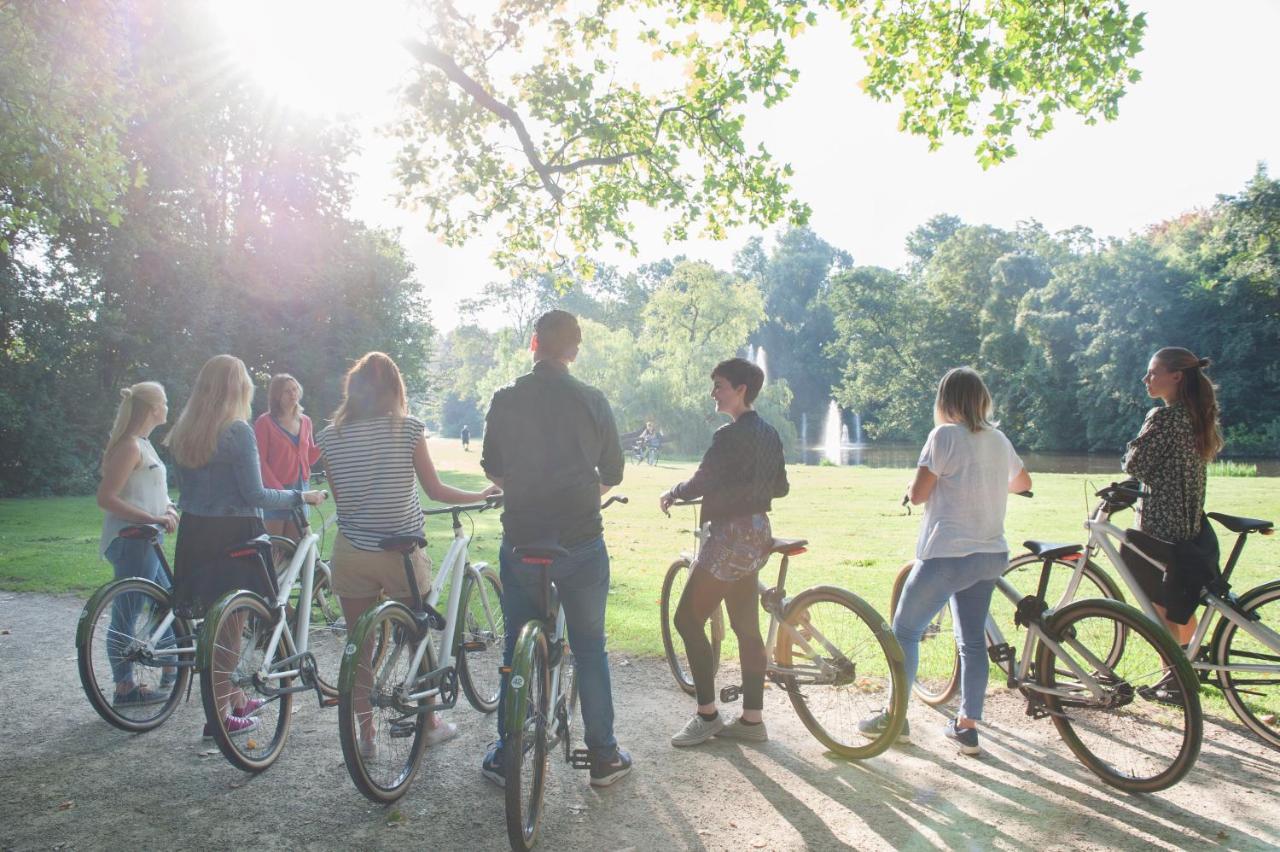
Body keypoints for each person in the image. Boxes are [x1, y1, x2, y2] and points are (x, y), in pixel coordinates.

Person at [317, 351, 498, 756]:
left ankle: (365, 736)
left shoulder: (329, 436)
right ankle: (429, 722)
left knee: (358, 645)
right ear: (395, 389)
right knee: (417, 637)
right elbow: (435, 491)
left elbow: (344, 499)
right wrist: (481, 495)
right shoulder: (408, 429)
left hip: (351, 550)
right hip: (398, 548)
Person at [479, 309, 630, 788]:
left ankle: (508, 752)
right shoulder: (592, 400)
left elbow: (493, 468)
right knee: (590, 648)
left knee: (514, 643)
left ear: (533, 344)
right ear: (574, 351)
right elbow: (613, 472)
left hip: (523, 537)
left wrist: (525, 489)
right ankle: (603, 756)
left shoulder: (506, 398)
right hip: (581, 539)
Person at [859, 367, 1031, 756]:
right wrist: (986, 477)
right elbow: (1024, 484)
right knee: (972, 641)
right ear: (982, 399)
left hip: (948, 555)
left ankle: (894, 717)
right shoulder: (998, 440)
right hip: (990, 555)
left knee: (904, 631)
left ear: (945, 401)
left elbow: (919, 494)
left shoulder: (943, 436)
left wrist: (909, 488)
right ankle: (967, 728)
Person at [166, 354, 327, 737]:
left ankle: (234, 696)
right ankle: (220, 715)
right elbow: (255, 493)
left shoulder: (185, 430)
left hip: (196, 531)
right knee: (232, 626)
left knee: (214, 621)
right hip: (234, 532)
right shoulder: (237, 430)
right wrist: (299, 498)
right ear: (239, 388)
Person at [659, 358, 789, 746]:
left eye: (719, 385)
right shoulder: (769, 433)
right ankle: (752, 719)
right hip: (757, 533)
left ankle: (707, 715)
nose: (713, 392)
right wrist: (746, 486)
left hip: (730, 535)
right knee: (746, 627)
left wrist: (673, 492)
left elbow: (701, 482)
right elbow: (780, 487)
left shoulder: (728, 436)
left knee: (686, 619)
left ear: (740, 390)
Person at [1121, 347, 1224, 647]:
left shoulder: (1165, 417)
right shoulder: (1196, 416)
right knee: (1178, 600)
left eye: (1153, 372)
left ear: (1176, 376)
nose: (1146, 379)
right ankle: (1188, 662)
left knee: (1159, 605)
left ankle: (1173, 676)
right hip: (1189, 525)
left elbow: (1134, 464)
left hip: (1160, 527)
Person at [97, 381, 180, 705]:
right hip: (131, 540)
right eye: (165, 402)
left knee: (169, 605)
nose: (168, 408)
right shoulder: (130, 446)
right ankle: (125, 687)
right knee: (127, 614)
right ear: (153, 409)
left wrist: (168, 508)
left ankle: (172, 669)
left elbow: (153, 492)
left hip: (148, 540)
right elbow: (106, 498)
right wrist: (152, 518)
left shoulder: (144, 444)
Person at [254, 373, 321, 540]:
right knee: (275, 548)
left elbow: (309, 459)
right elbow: (259, 462)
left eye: (295, 389)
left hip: (301, 489)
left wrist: (326, 442)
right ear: (277, 395)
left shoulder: (306, 421)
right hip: (275, 493)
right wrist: (281, 493)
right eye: (287, 391)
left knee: (296, 548)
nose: (293, 394)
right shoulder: (265, 422)